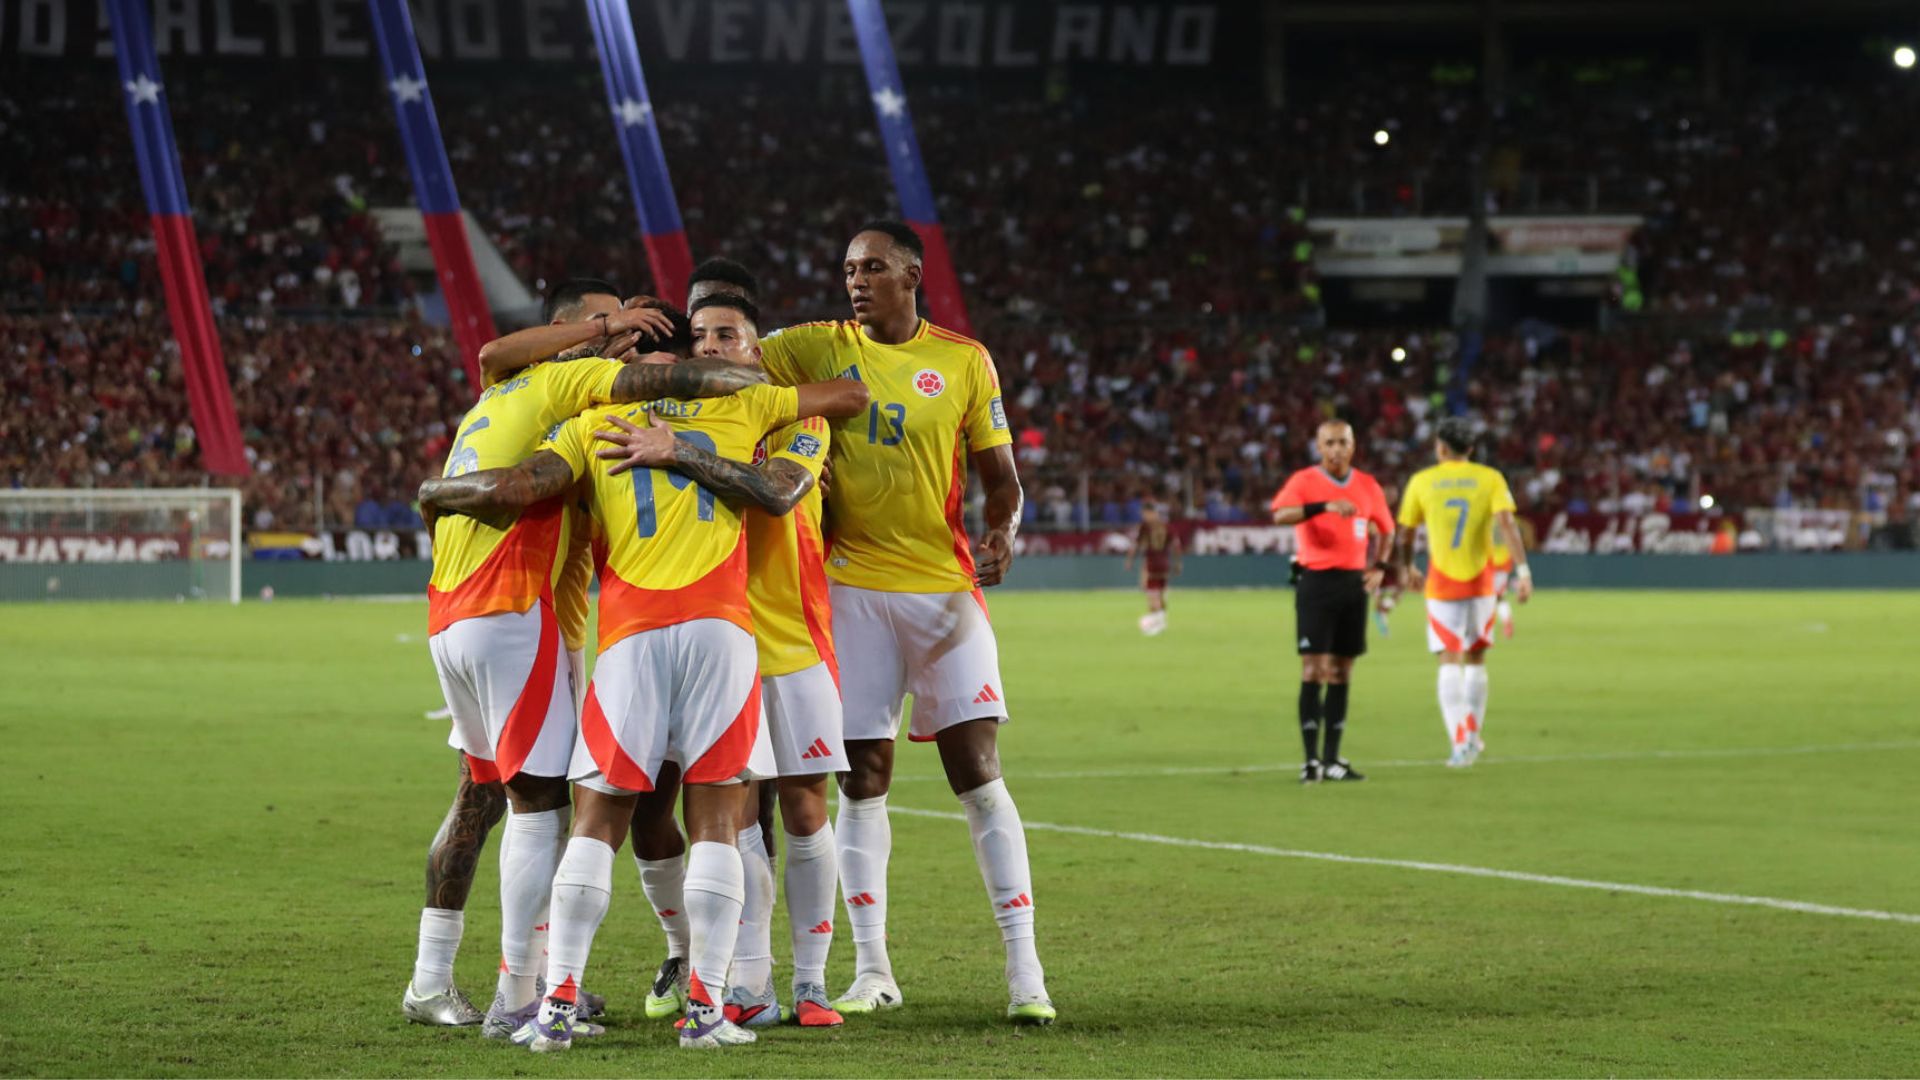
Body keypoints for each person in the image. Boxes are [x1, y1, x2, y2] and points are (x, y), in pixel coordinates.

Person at [417, 308, 866, 1051]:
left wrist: (440, 492)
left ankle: (555, 1004)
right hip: (722, 632)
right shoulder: (743, 403)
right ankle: (706, 1011)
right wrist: (731, 405)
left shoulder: (593, 423)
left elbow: (520, 487)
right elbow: (845, 399)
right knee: (719, 821)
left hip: (627, 639)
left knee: (594, 824)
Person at [743, 220, 1052, 1024]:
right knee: (862, 778)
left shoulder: (963, 360)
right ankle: (873, 969)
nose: (855, 280)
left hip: (944, 592)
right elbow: (734, 359)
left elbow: (1003, 479)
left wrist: (1001, 533)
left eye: (872, 267)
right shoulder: (813, 346)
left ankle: (1026, 975)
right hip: (851, 589)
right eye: (848, 268)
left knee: (978, 772)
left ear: (912, 273)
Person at [598, 293, 850, 1030]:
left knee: (803, 810)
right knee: (723, 816)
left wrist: (683, 454)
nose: (711, 344)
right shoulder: (673, 414)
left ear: (756, 343)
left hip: (793, 639)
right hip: (712, 636)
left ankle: (812, 986)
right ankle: (742, 982)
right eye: (699, 333)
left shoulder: (795, 417)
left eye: (726, 333)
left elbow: (777, 493)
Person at [1391, 417, 1534, 767]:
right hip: (1482, 583)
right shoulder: (1490, 478)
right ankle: (1474, 737)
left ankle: (1460, 742)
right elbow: (1507, 526)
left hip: (1442, 584)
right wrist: (1523, 570)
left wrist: (1407, 566)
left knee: (1448, 659)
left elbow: (1406, 533)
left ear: (1440, 448)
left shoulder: (1422, 481)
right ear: (1470, 449)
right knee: (1476, 659)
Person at [1269, 421, 1395, 783]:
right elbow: (1281, 514)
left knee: (1343, 671)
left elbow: (1387, 529)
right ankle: (1310, 761)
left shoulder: (1367, 485)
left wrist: (1381, 566)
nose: (1337, 449)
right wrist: (1322, 506)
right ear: (1319, 447)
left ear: (1353, 445)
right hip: (1316, 582)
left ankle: (1332, 759)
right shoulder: (1304, 481)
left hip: (1353, 584)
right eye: (1330, 443)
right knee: (1314, 669)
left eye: (1343, 442)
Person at [1125, 503, 1182, 635]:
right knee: (1161, 593)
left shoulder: (1146, 527)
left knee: (1152, 594)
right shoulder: (1168, 527)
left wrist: (1129, 561)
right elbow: (1176, 547)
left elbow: (1136, 545)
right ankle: (1161, 621)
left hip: (1152, 563)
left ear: (1150, 513)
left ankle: (1157, 623)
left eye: (1144, 514)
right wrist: (1178, 564)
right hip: (1165, 563)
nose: (1143, 516)